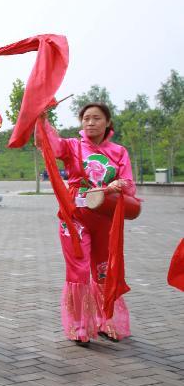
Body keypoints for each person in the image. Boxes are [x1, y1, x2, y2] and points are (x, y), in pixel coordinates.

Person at [39, 102, 135, 344]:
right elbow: (48, 145)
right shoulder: (72, 146)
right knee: (78, 271)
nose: (90, 122)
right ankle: (80, 326)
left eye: (96, 118)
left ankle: (107, 321)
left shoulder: (119, 152)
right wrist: (42, 118)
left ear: (107, 123)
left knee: (103, 271)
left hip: (105, 220)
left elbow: (129, 184)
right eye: (86, 118)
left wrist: (117, 186)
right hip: (75, 219)